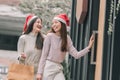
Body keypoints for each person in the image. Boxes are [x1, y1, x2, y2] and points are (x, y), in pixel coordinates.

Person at [36, 13, 94, 80]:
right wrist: (39, 73)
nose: (53, 25)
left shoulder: (67, 39)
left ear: (62, 24)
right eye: (53, 23)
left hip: (58, 68)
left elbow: (76, 55)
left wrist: (88, 47)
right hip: (48, 68)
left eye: (56, 22)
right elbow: (43, 55)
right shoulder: (50, 36)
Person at [17, 14, 45, 79]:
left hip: (38, 73)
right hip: (25, 71)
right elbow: (19, 56)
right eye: (38, 22)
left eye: (41, 23)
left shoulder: (44, 39)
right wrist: (22, 57)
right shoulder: (23, 38)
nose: (40, 24)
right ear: (32, 24)